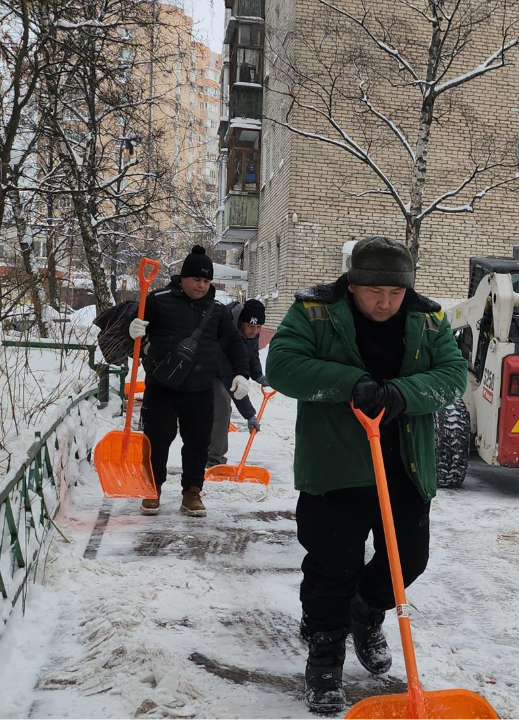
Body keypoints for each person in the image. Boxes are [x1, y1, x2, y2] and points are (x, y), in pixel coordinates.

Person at [266, 236, 467, 714]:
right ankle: (325, 653)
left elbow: (453, 374)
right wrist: (347, 384)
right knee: (331, 566)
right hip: (336, 465)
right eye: (374, 291)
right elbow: (283, 367)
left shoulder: (429, 318)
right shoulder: (315, 311)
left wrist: (401, 394)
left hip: (405, 465)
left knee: (408, 561)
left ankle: (366, 610)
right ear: (352, 285)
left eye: (395, 293)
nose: (385, 302)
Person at [130, 245, 250, 518]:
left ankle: (192, 492)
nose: (201, 285)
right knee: (157, 440)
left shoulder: (217, 311)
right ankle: (152, 489)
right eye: (196, 279)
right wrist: (131, 330)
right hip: (162, 386)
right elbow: (135, 329)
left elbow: (233, 342)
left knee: (198, 442)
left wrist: (242, 372)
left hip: (199, 388)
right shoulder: (158, 300)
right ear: (183, 278)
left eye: (207, 281)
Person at [207, 299, 269, 469]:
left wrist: (257, 375)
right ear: (241, 322)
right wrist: (249, 415)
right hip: (210, 371)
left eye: (258, 328)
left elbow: (252, 353)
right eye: (250, 326)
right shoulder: (228, 332)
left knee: (218, 411)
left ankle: (210, 451)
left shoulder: (251, 333)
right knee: (221, 409)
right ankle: (214, 459)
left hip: (226, 374)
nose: (254, 331)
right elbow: (230, 379)